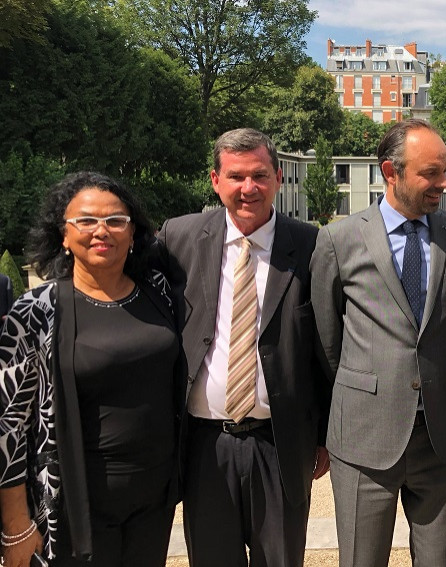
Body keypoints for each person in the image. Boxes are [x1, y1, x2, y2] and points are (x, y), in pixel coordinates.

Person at [156, 128, 329, 567]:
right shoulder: (178, 238)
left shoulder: (311, 246)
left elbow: (328, 349)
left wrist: (324, 436)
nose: (248, 188)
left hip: (280, 444)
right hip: (203, 446)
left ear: (279, 176)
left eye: (259, 175)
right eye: (235, 176)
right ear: (215, 181)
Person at [311, 119, 446, 567]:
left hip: (440, 438)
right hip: (364, 438)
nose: (443, 183)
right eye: (431, 173)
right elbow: (327, 341)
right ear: (391, 171)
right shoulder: (338, 239)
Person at [0, 171, 181, 567]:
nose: (102, 230)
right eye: (85, 220)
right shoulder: (33, 312)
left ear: (133, 233)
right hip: (72, 504)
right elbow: (8, 425)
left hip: (155, 499)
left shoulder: (159, 293)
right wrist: (15, 523)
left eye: (116, 220)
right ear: (63, 235)